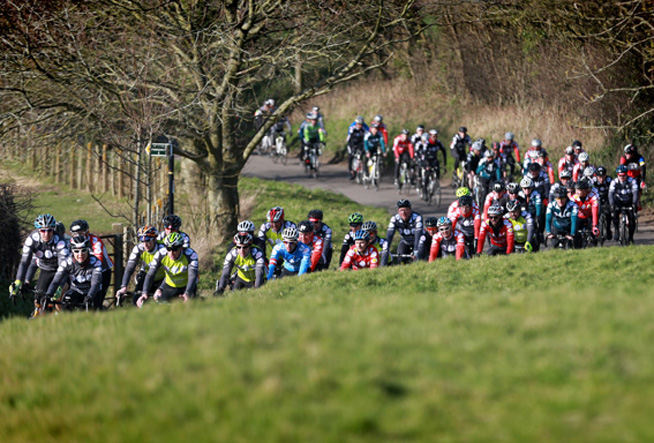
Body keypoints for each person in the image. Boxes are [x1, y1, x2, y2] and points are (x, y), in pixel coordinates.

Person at [9, 214, 69, 303]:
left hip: (61, 271)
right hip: (46, 270)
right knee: (38, 300)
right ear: (38, 230)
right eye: (43, 230)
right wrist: (18, 281)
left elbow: (63, 268)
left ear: (53, 230)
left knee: (58, 299)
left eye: (49, 230)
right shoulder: (31, 240)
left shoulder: (60, 242)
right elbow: (25, 263)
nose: (46, 234)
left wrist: (59, 286)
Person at [137, 232, 199, 307]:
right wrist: (144, 293)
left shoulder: (190, 255)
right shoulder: (161, 254)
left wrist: (187, 293)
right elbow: (150, 274)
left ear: (181, 248)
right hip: (169, 286)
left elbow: (192, 276)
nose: (171, 253)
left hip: (186, 286)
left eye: (175, 249)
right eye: (168, 249)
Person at [45, 235, 103, 310]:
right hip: (76, 290)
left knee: (91, 306)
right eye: (76, 251)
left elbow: (96, 284)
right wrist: (49, 294)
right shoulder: (67, 263)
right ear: (72, 251)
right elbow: (56, 281)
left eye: (83, 250)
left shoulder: (96, 263)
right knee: (67, 300)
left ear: (88, 250)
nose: (80, 254)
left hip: (92, 291)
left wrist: (90, 296)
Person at [116, 225, 166, 305]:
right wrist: (124, 286)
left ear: (155, 239)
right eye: (142, 241)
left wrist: (160, 289)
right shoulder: (139, 248)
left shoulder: (164, 249)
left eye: (148, 240)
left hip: (163, 278)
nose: (145, 244)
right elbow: (129, 268)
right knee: (136, 300)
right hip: (146, 276)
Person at [69, 219, 113, 305]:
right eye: (74, 234)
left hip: (102, 270)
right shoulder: (73, 242)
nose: (77, 236)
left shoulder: (96, 242)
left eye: (80, 233)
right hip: (82, 270)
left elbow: (98, 260)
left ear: (87, 232)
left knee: (96, 299)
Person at [609, 164, 638, 244]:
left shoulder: (632, 181)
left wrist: (634, 203)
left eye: (623, 175)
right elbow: (610, 194)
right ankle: (616, 230)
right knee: (615, 214)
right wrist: (612, 204)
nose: (622, 177)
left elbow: (635, 193)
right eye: (620, 175)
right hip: (618, 201)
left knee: (632, 219)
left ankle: (631, 237)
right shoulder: (614, 182)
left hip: (629, 201)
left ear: (626, 174)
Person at [571, 177, 600, 247]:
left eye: (579, 190)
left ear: (585, 191)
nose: (577, 192)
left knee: (593, 233)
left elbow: (595, 211)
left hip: (590, 216)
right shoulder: (573, 198)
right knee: (575, 234)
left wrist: (595, 225)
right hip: (578, 216)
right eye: (576, 190)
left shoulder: (593, 197)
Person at [620, 143, 647, 209]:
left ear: (632, 154)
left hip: (637, 176)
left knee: (640, 185)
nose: (625, 154)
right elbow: (621, 169)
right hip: (627, 176)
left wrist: (643, 181)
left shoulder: (640, 158)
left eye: (627, 153)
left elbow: (643, 168)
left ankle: (638, 201)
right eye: (625, 153)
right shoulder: (623, 158)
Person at [520, 176, 544, 247]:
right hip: (522, 215)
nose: (527, 190)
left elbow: (538, 206)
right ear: (522, 188)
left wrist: (537, 216)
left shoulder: (536, 194)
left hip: (533, 214)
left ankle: (540, 234)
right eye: (525, 188)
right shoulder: (520, 194)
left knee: (540, 218)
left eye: (529, 188)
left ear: (532, 188)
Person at [593, 166, 613, 240]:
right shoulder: (593, 181)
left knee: (608, 213)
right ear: (596, 176)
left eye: (603, 176)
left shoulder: (609, 180)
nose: (601, 179)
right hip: (596, 199)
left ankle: (608, 229)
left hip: (606, 198)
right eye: (599, 177)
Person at [346, 116, 367, 181]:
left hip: (360, 143)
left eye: (361, 124)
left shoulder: (365, 127)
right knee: (351, 156)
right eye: (358, 124)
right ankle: (350, 171)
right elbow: (349, 138)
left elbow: (367, 136)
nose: (359, 126)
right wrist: (351, 146)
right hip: (352, 142)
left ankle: (363, 169)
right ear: (356, 123)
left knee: (362, 154)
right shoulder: (352, 127)